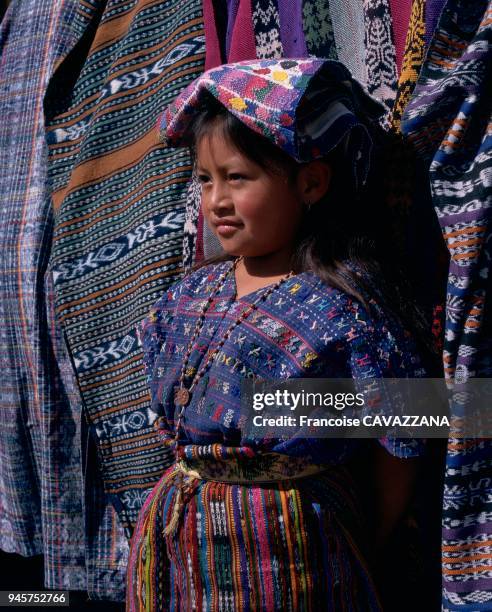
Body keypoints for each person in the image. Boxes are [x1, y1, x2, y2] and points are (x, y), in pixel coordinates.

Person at [126, 58, 432, 611]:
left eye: (237, 177)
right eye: (205, 179)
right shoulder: (190, 294)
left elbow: (411, 429)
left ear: (311, 182)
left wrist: (366, 538)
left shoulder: (343, 307)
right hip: (184, 546)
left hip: (292, 553)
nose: (216, 200)